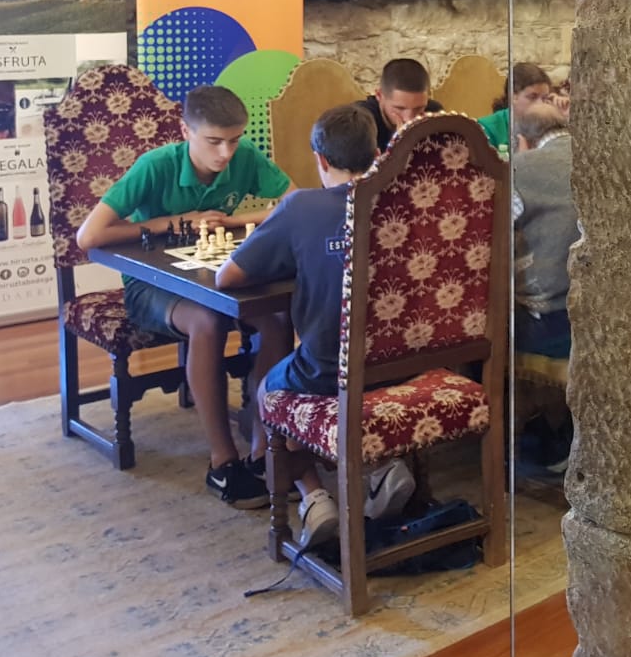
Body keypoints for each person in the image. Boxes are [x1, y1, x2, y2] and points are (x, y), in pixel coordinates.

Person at [77, 85, 293, 508]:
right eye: (214, 141)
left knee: (278, 319)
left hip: (216, 275)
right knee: (207, 323)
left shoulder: (245, 157)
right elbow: (89, 236)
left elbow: (294, 204)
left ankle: (263, 448)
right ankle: (222, 461)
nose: (226, 153)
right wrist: (172, 222)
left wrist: (235, 220)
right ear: (185, 131)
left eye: (235, 140)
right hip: (152, 286)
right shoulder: (155, 166)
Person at [217, 105, 413, 547]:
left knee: (270, 391)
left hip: (329, 368)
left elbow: (227, 277)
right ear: (377, 154)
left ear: (320, 159)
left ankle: (313, 496)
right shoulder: (404, 199)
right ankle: (380, 468)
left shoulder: (301, 206)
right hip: (404, 362)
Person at [510, 100, 580, 471]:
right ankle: (558, 429)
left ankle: (541, 440)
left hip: (552, 318)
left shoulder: (521, 168)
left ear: (523, 140)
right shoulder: (595, 155)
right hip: (598, 310)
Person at [478, 62, 567, 153]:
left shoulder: (548, 123)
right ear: (513, 97)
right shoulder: (486, 128)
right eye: (533, 97)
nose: (540, 104)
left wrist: (564, 116)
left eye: (545, 98)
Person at [356, 57, 442, 152]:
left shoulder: (433, 114)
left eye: (419, 108)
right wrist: (399, 143)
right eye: (400, 108)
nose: (409, 119)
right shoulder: (358, 122)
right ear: (379, 95)